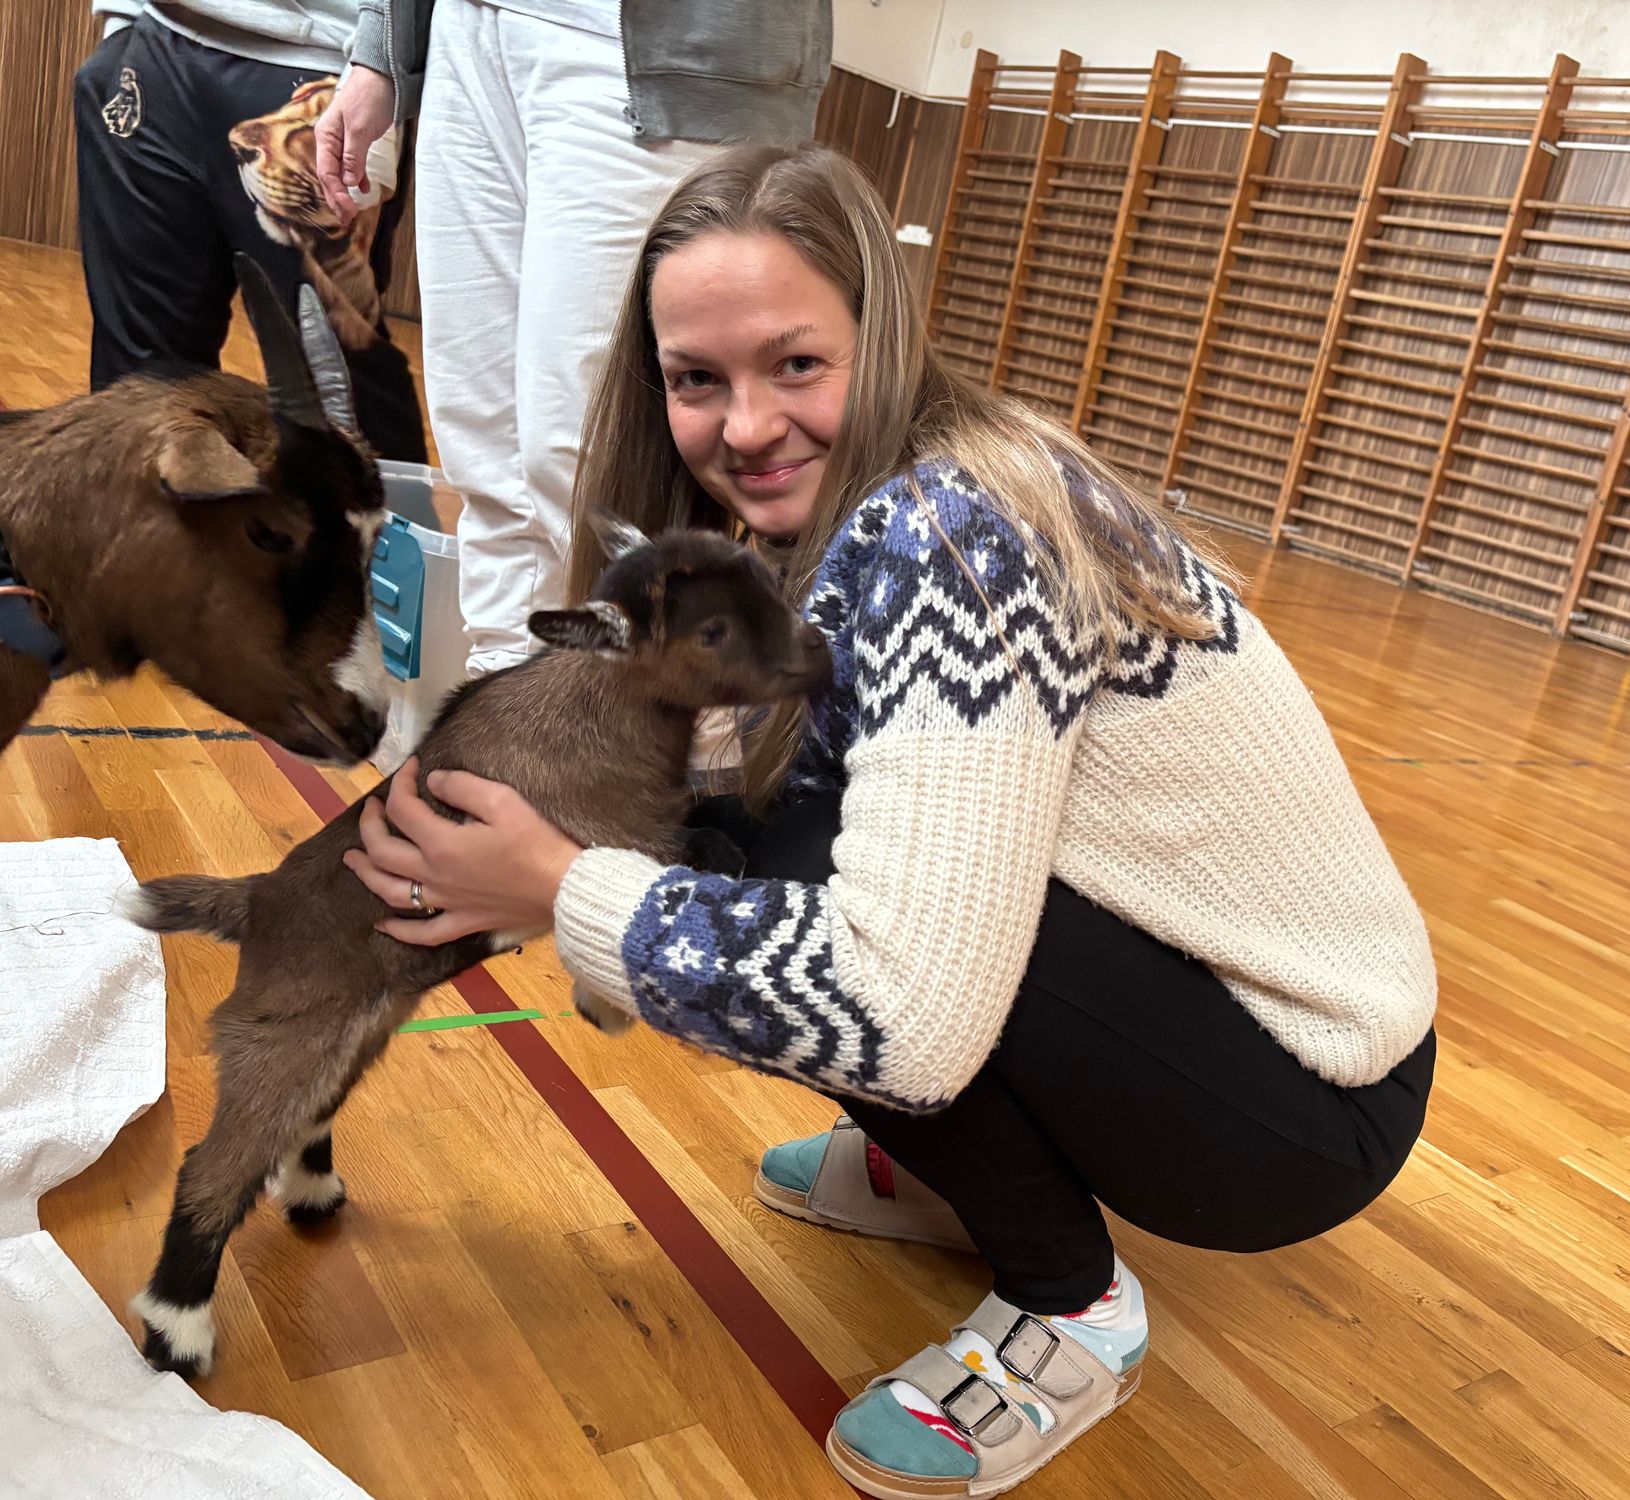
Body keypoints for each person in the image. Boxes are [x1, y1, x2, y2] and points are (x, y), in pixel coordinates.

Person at [342, 143, 1438, 1498]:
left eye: (796, 364)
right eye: (697, 380)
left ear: (885, 341)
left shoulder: (954, 537)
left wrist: (561, 888)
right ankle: (964, 1172)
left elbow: (906, 1012)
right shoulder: (851, 503)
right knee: (757, 828)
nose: (746, 427)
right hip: (1201, 1008)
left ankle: (1069, 1307)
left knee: (804, 880)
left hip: (1304, 1097)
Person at [315, 0, 832, 676]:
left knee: (586, 452)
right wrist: (381, 50)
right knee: (483, 443)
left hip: (642, 51)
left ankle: (678, 715)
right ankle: (504, 701)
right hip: (468, 32)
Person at [75, 0, 428, 462]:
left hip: (320, 71)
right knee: (136, 390)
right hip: (151, 50)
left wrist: (379, 66)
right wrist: (121, 22)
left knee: (345, 401)